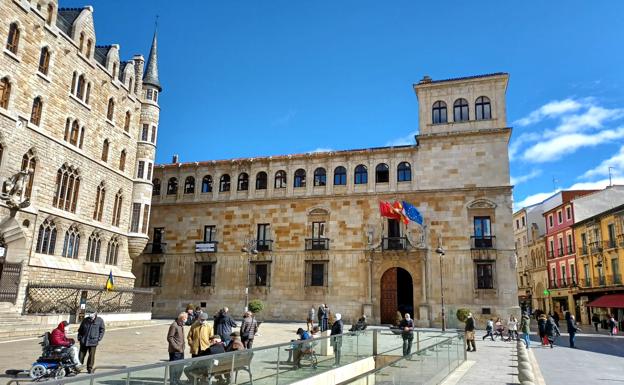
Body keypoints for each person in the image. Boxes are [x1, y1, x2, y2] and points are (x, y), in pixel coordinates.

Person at [167, 312, 188, 385]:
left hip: (181, 350)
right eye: (186, 318)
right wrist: (176, 347)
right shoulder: (174, 325)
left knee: (180, 367)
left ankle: (177, 379)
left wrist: (183, 346)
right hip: (175, 351)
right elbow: (170, 338)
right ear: (182, 318)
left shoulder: (181, 325)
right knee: (174, 367)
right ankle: (173, 381)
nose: (186, 320)